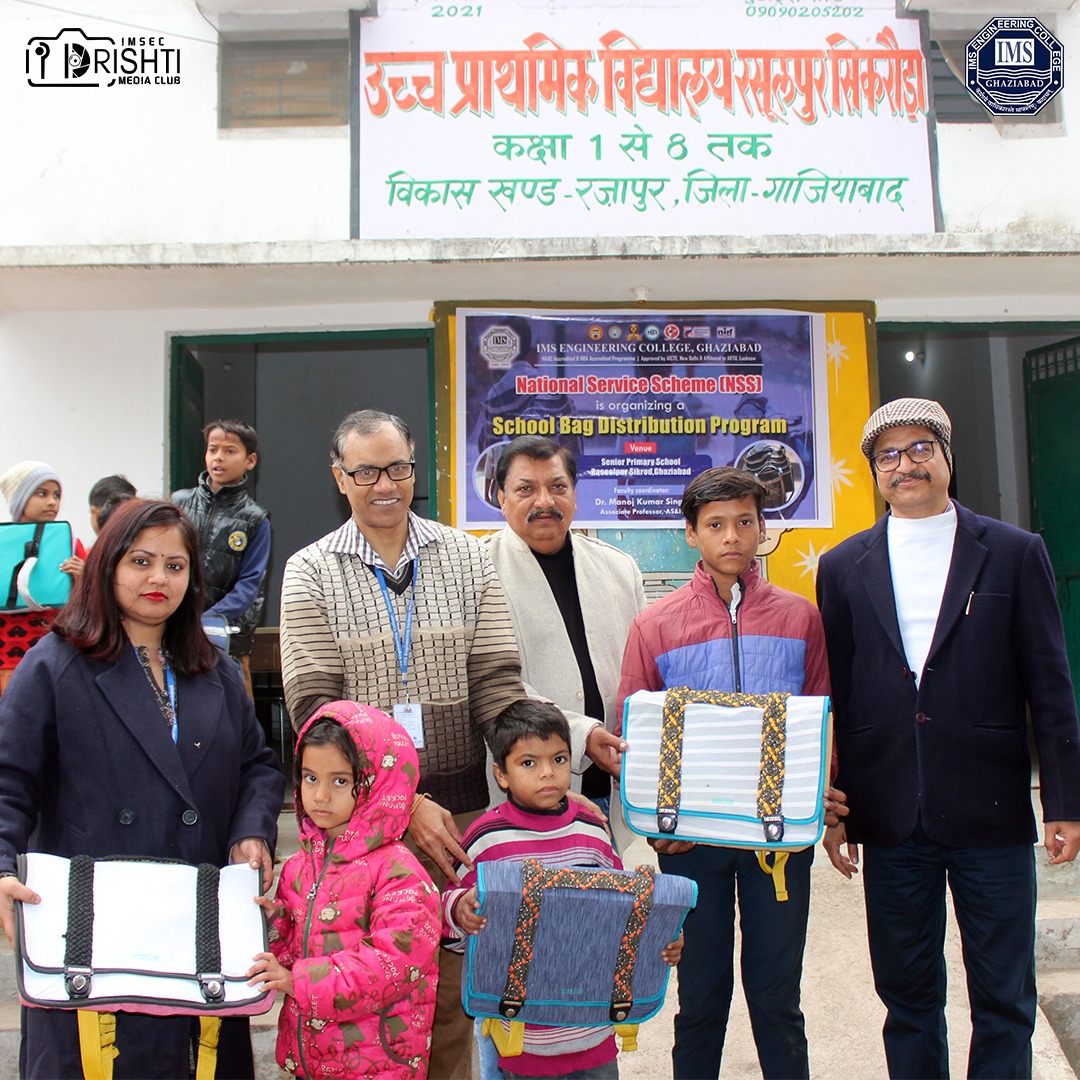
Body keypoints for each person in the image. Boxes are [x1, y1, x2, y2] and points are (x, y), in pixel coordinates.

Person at [816, 397, 1080, 1079]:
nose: (905, 465)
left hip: (990, 809)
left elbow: (1051, 685)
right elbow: (836, 693)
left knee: (1005, 996)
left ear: (947, 458)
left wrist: (1064, 801)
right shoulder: (843, 566)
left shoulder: (1014, 553)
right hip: (889, 812)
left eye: (920, 449)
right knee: (907, 997)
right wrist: (834, 805)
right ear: (875, 472)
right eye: (888, 455)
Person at [279, 408, 526, 1079]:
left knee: (450, 994)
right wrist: (401, 801)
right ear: (340, 477)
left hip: (458, 816)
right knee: (369, 996)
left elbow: (498, 682)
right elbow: (314, 709)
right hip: (358, 829)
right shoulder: (309, 570)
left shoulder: (469, 556)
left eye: (398, 468)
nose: (385, 484)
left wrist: (535, 776)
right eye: (366, 472)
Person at [0, 498, 282, 1078]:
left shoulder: (214, 669)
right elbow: (9, 780)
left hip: (198, 926)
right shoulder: (53, 664)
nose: (159, 578)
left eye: (175, 566)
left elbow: (256, 766)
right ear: (107, 566)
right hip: (90, 932)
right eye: (141, 561)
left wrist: (251, 832)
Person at [617, 466, 832, 1080]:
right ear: (691, 533)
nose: (731, 536)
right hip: (691, 842)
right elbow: (635, 734)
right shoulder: (654, 624)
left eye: (744, 522)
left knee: (777, 998)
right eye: (715, 525)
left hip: (778, 842)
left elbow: (823, 718)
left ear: (763, 528)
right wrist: (653, 831)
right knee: (701, 998)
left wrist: (821, 800)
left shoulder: (800, 617)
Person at [442, 700, 682, 1080]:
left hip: (594, 1029)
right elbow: (450, 907)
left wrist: (663, 935)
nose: (547, 773)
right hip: (520, 1035)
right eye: (528, 763)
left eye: (558, 759)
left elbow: (621, 908)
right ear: (501, 774)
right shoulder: (485, 838)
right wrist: (460, 910)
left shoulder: (592, 830)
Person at [247, 700, 440, 1079]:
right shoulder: (300, 866)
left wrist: (300, 983)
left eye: (339, 781)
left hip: (377, 1061)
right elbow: (297, 947)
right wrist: (275, 924)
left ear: (376, 783)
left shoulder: (399, 873)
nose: (320, 796)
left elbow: (392, 963)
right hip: (313, 1057)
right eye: (310, 778)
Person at [483, 435, 645, 827]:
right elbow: (490, 682)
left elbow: (642, 672)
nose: (544, 501)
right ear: (501, 499)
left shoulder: (619, 569)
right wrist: (581, 733)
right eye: (526, 489)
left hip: (613, 786)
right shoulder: (476, 571)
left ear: (575, 494)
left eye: (558, 487)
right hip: (523, 794)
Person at [172, 419, 271, 698]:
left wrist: (207, 620)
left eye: (229, 451)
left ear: (250, 461)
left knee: (231, 707)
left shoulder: (255, 519)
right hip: (176, 628)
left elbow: (249, 585)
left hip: (226, 636)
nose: (218, 457)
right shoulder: (178, 503)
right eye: (213, 449)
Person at [0, 460, 86, 696]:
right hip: (5, 656)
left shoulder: (70, 543)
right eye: (42, 493)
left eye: (56, 495)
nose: (52, 502)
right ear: (19, 499)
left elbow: (92, 600)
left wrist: (83, 577)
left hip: (55, 651)